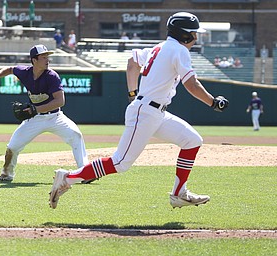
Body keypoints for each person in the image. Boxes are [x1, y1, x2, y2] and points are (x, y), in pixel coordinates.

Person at [48, 12, 229, 210]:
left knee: (192, 141)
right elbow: (192, 85)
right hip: (147, 112)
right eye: (194, 33)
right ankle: (68, 178)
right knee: (120, 163)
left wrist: (133, 94)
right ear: (184, 34)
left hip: (155, 112)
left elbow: (132, 63)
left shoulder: (159, 48)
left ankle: (179, 193)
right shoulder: (179, 50)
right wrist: (213, 102)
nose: (196, 37)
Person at [0, 44, 96, 184]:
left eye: (47, 57)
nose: (47, 60)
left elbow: (60, 101)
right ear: (34, 60)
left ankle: (85, 172)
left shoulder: (52, 76)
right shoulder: (25, 72)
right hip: (35, 119)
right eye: (43, 57)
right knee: (13, 147)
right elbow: (10, 69)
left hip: (55, 117)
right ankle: (7, 174)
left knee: (76, 136)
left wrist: (36, 109)